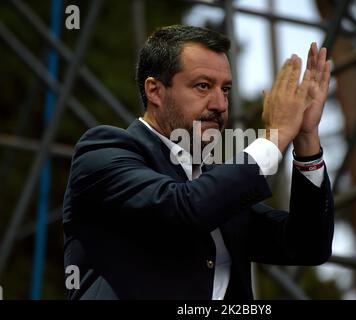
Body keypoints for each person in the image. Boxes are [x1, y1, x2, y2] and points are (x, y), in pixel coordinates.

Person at [62, 24, 334, 300]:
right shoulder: (101, 150)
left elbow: (308, 246)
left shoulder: (216, 187)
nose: (220, 104)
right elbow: (185, 209)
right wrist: (276, 135)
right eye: (203, 86)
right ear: (155, 91)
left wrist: (305, 137)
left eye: (225, 89)